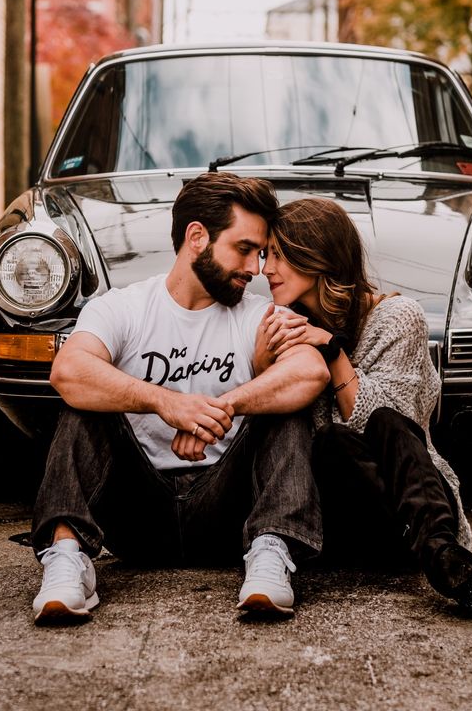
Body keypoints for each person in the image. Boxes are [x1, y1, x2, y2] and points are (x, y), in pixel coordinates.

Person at [30, 172, 329, 625]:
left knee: (284, 402)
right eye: (244, 248)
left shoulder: (257, 315)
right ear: (197, 237)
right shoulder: (124, 308)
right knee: (85, 398)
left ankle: (271, 553)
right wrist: (166, 403)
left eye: (261, 253)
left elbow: (311, 372)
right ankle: (67, 560)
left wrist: (223, 407)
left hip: (229, 514)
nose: (255, 268)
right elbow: (68, 370)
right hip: (137, 516)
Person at [259, 196, 472, 616]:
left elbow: (393, 430)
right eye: (265, 255)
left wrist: (333, 354)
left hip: (413, 506)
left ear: (316, 256)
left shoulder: (397, 317)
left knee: (387, 420)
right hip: (351, 519)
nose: (266, 269)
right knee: (332, 441)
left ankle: (442, 554)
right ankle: (452, 562)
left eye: (278, 255)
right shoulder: (284, 329)